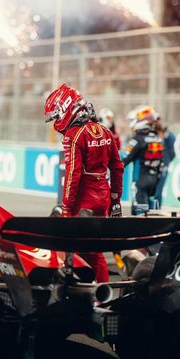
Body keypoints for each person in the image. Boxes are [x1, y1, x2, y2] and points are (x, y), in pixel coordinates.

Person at [44, 83, 124, 282]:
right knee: (95, 252)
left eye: (56, 115)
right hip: (103, 198)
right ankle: (102, 293)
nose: (56, 120)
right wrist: (115, 199)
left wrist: (66, 206)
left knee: (72, 250)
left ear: (66, 109)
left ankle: (76, 294)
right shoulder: (105, 131)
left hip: (83, 202)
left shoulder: (73, 135)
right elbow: (117, 167)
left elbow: (73, 173)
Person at [122, 105, 164, 208]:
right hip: (155, 180)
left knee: (140, 215)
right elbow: (161, 163)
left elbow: (124, 160)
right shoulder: (157, 138)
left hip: (140, 180)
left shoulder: (137, 139)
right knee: (153, 214)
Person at [154, 116, 176, 208]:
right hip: (151, 168)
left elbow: (173, 150)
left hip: (163, 167)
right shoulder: (150, 135)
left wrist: (166, 161)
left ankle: (156, 210)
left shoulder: (169, 136)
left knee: (158, 190)